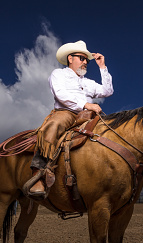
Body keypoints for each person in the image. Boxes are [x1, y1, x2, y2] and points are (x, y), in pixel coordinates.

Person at [25, 40, 114, 198]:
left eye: (86, 59)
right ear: (70, 58)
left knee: (110, 130)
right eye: (82, 58)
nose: (85, 61)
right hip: (66, 113)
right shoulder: (58, 74)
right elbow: (61, 94)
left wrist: (102, 67)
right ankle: (39, 174)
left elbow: (107, 91)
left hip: (88, 115)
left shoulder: (88, 82)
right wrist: (86, 104)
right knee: (52, 126)